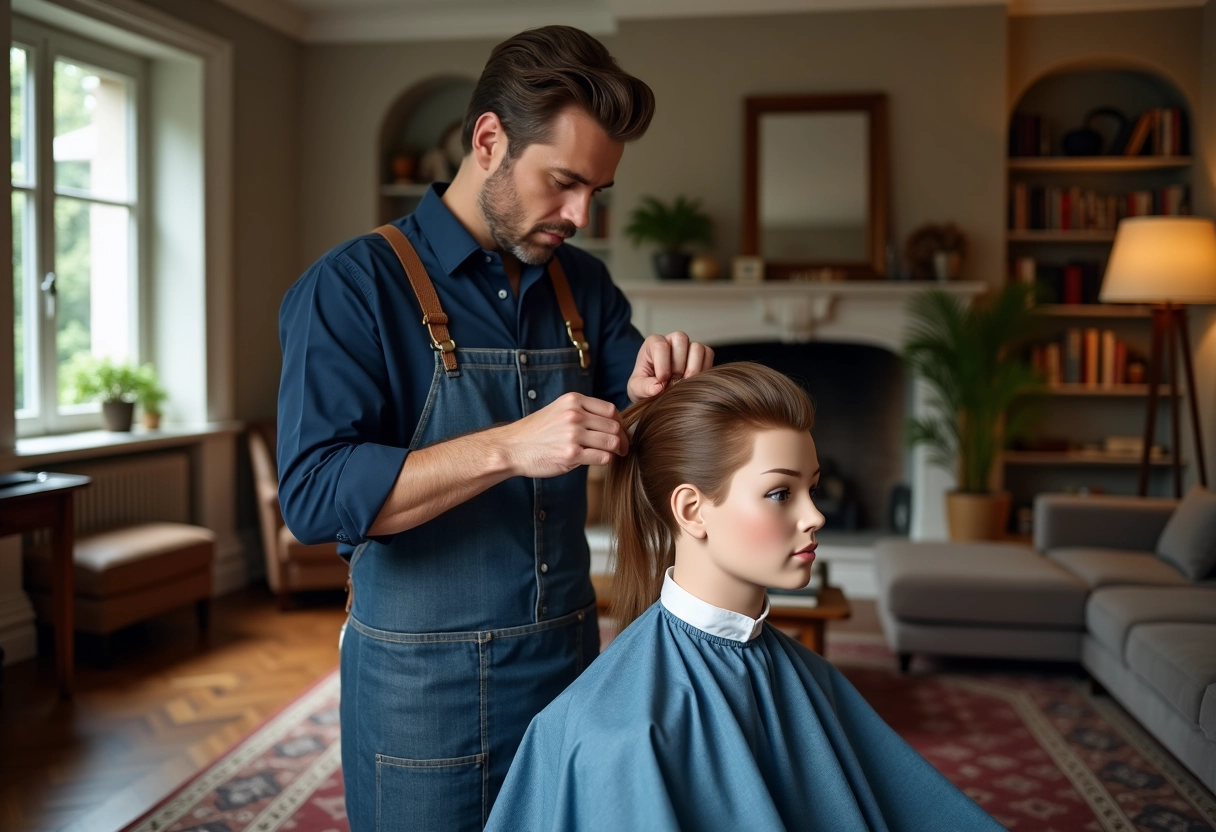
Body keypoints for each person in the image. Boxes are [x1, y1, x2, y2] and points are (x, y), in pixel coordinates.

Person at [276, 26, 714, 832]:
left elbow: (638, 414)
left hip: (571, 663)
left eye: (597, 191)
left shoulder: (584, 285)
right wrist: (510, 447)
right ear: (488, 142)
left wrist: (664, 384)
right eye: (564, 182)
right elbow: (312, 497)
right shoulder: (352, 286)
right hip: (423, 693)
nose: (581, 214)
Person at [485, 364, 1006, 832]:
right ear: (692, 511)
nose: (815, 516)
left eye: (812, 489)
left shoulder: (812, 676)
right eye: (780, 493)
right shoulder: (622, 735)